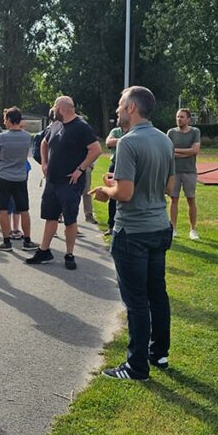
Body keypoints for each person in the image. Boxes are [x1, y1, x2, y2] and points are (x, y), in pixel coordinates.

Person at [90, 86, 175, 380]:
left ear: (131, 108)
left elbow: (124, 194)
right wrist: (121, 181)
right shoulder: (165, 140)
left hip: (133, 231)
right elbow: (169, 187)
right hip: (159, 227)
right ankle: (159, 353)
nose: (117, 109)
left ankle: (136, 366)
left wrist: (107, 191)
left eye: (120, 103)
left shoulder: (127, 142)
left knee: (136, 301)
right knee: (157, 294)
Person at [26, 96, 102, 270]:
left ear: (62, 109)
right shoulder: (55, 125)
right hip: (52, 181)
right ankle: (44, 251)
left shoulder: (81, 127)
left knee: (69, 219)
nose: (53, 110)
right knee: (51, 216)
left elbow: (96, 149)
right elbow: (44, 143)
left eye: (55, 107)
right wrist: (44, 163)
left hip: (70, 183)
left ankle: (69, 254)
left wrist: (81, 169)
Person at [0, 107, 37, 252]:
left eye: (5, 119)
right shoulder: (27, 137)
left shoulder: (1, 137)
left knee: (3, 210)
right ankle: (27, 240)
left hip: (4, 176)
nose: (4, 122)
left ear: (10, 120)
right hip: (20, 177)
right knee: (24, 210)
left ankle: (6, 241)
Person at [167, 108, 201, 240]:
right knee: (173, 199)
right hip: (173, 172)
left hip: (189, 171)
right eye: (177, 117)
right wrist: (186, 152)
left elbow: (195, 150)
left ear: (188, 119)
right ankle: (173, 228)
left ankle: (193, 229)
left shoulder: (195, 132)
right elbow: (168, 151)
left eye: (182, 117)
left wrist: (176, 151)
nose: (179, 119)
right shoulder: (171, 132)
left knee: (191, 199)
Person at [103, 124, 124, 236]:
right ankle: (111, 226)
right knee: (112, 197)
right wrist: (126, 141)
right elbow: (109, 142)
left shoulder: (134, 129)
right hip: (115, 165)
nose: (117, 118)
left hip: (127, 165)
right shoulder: (116, 131)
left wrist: (119, 142)